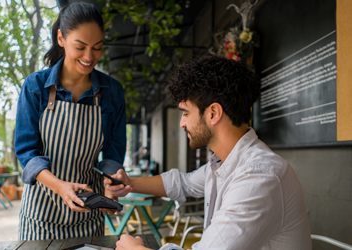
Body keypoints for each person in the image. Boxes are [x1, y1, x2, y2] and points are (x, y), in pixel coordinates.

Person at [106, 54, 312, 250]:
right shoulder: (225, 162)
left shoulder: (259, 176)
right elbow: (183, 183)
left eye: (186, 113)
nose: (182, 123)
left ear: (213, 113)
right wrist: (129, 183)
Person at [14, 2, 126, 240]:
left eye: (97, 47)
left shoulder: (112, 92)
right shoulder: (35, 87)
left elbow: (112, 154)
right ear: (61, 39)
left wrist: (111, 184)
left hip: (89, 215)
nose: (89, 57)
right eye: (80, 46)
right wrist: (60, 186)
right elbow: (26, 153)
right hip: (40, 217)